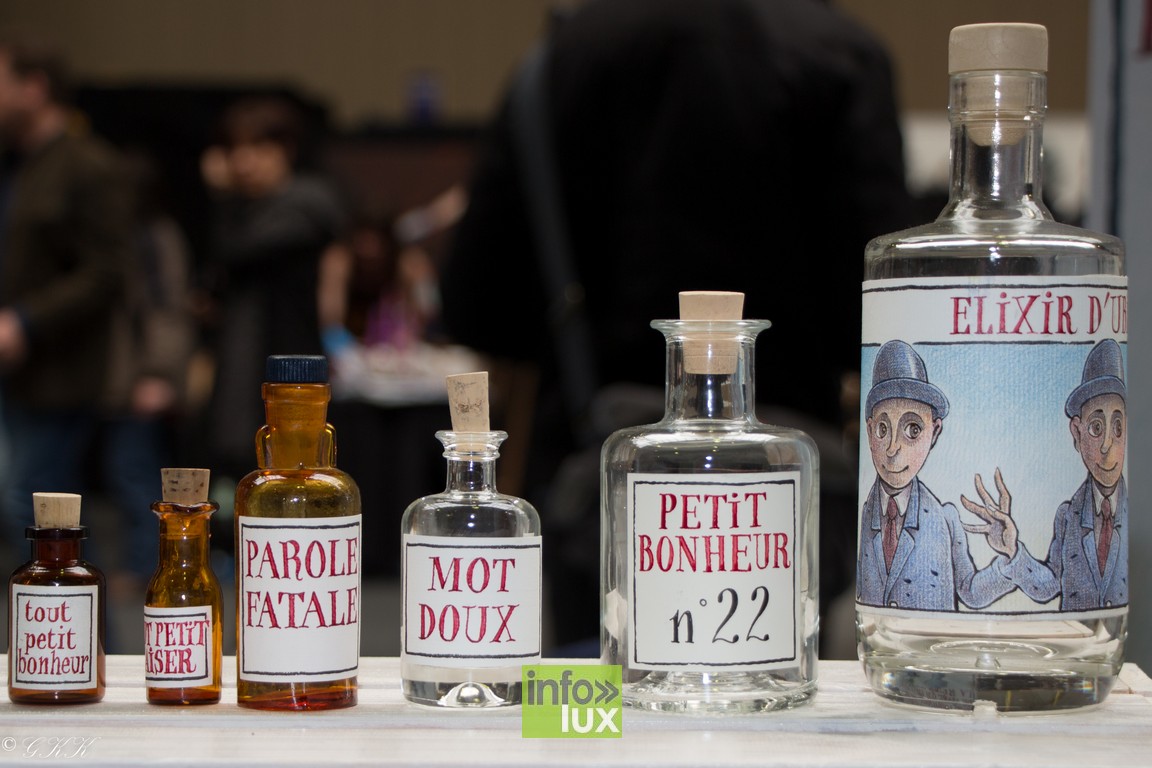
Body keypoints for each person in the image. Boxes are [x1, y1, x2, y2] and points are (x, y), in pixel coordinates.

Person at [438, 0, 920, 650]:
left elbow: (478, 304)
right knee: (780, 689)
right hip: (785, 472)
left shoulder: (560, 59)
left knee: (607, 690)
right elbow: (879, 307)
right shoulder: (840, 52)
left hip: (595, 468)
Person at [0, 29, 132, 562]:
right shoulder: (17, 163)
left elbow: (108, 271)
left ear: (34, 87)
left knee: (33, 506)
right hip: (15, 372)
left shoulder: (88, 165)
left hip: (58, 372)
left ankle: (71, 614)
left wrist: (24, 320)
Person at [196, 95, 346, 483]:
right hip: (244, 363)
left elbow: (236, 252)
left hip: (290, 370)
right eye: (235, 150)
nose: (244, 162)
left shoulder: (304, 203)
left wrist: (221, 197)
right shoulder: (250, 209)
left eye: (259, 148)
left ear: (286, 150)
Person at [857, 340, 1030, 611]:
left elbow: (970, 592)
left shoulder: (944, 519)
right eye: (882, 429)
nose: (892, 449)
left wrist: (1010, 555)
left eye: (912, 430)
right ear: (869, 432)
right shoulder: (866, 511)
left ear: (934, 432)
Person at [962, 339, 1129, 611]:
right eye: (1096, 428)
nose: (1107, 445)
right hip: (1073, 637)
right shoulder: (1069, 515)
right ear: (1077, 432)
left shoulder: (1128, 508)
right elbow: (1049, 585)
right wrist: (1014, 551)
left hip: (1105, 635)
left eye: (1118, 427)